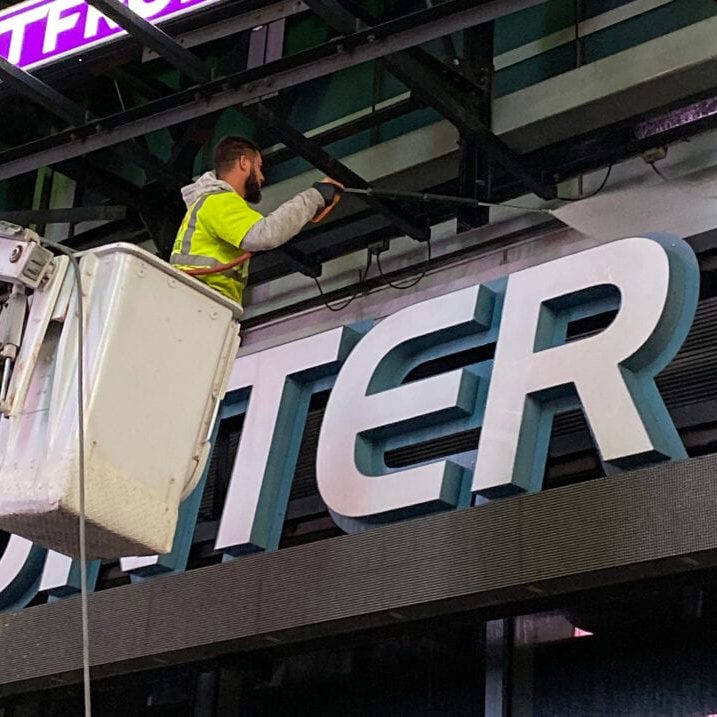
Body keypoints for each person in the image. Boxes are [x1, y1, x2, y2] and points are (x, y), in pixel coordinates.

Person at [171, 136, 342, 305]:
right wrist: (316, 195)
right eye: (259, 167)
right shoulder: (218, 201)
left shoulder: (209, 203)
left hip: (198, 299)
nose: (262, 177)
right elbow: (265, 234)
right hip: (200, 298)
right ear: (244, 162)